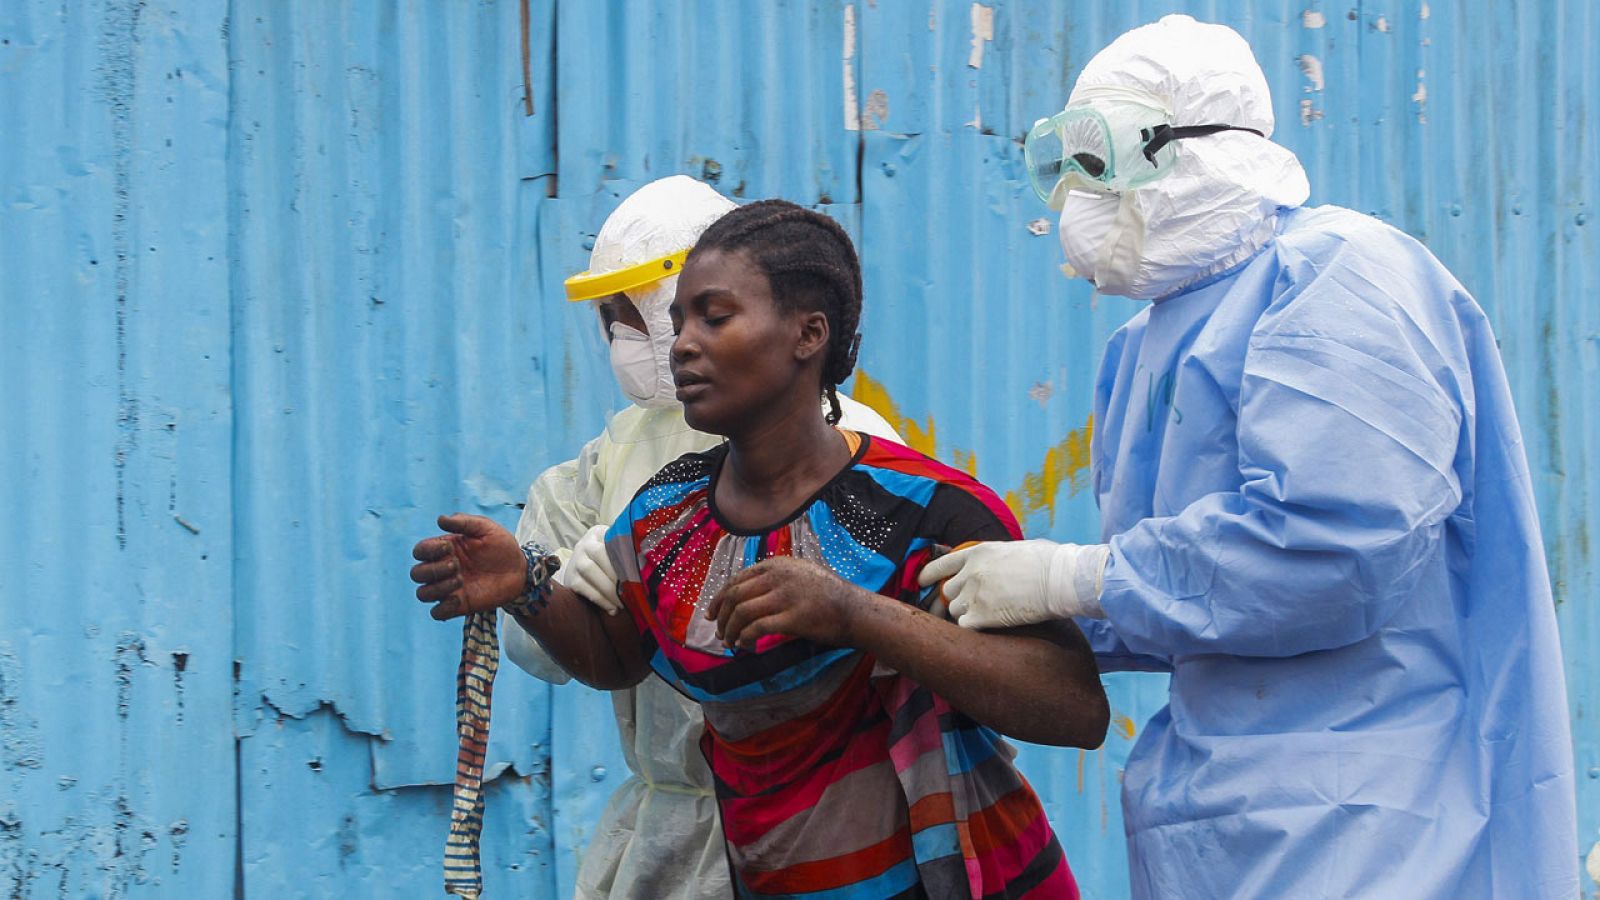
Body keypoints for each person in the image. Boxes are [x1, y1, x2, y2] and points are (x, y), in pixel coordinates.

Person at [920, 14, 1579, 898]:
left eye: (1103, 156)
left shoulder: (1338, 276)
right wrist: (1015, 608)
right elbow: (1192, 595)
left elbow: (1337, 549)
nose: (1080, 191)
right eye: (1063, 162)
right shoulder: (1144, 345)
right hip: (1214, 814)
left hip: (1374, 813)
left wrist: (1074, 579)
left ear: (1192, 149)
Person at [413, 199, 1109, 898]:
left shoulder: (921, 508)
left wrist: (855, 615)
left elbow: (1075, 708)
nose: (681, 343)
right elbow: (618, 656)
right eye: (678, 319)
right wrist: (526, 587)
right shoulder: (667, 512)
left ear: (808, 334)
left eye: (714, 317)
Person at [499, 175, 900, 899]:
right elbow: (550, 653)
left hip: (815, 815)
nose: (626, 336)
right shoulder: (618, 454)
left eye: (630, 312)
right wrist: (540, 583)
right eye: (611, 317)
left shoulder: (857, 448)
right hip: (668, 826)